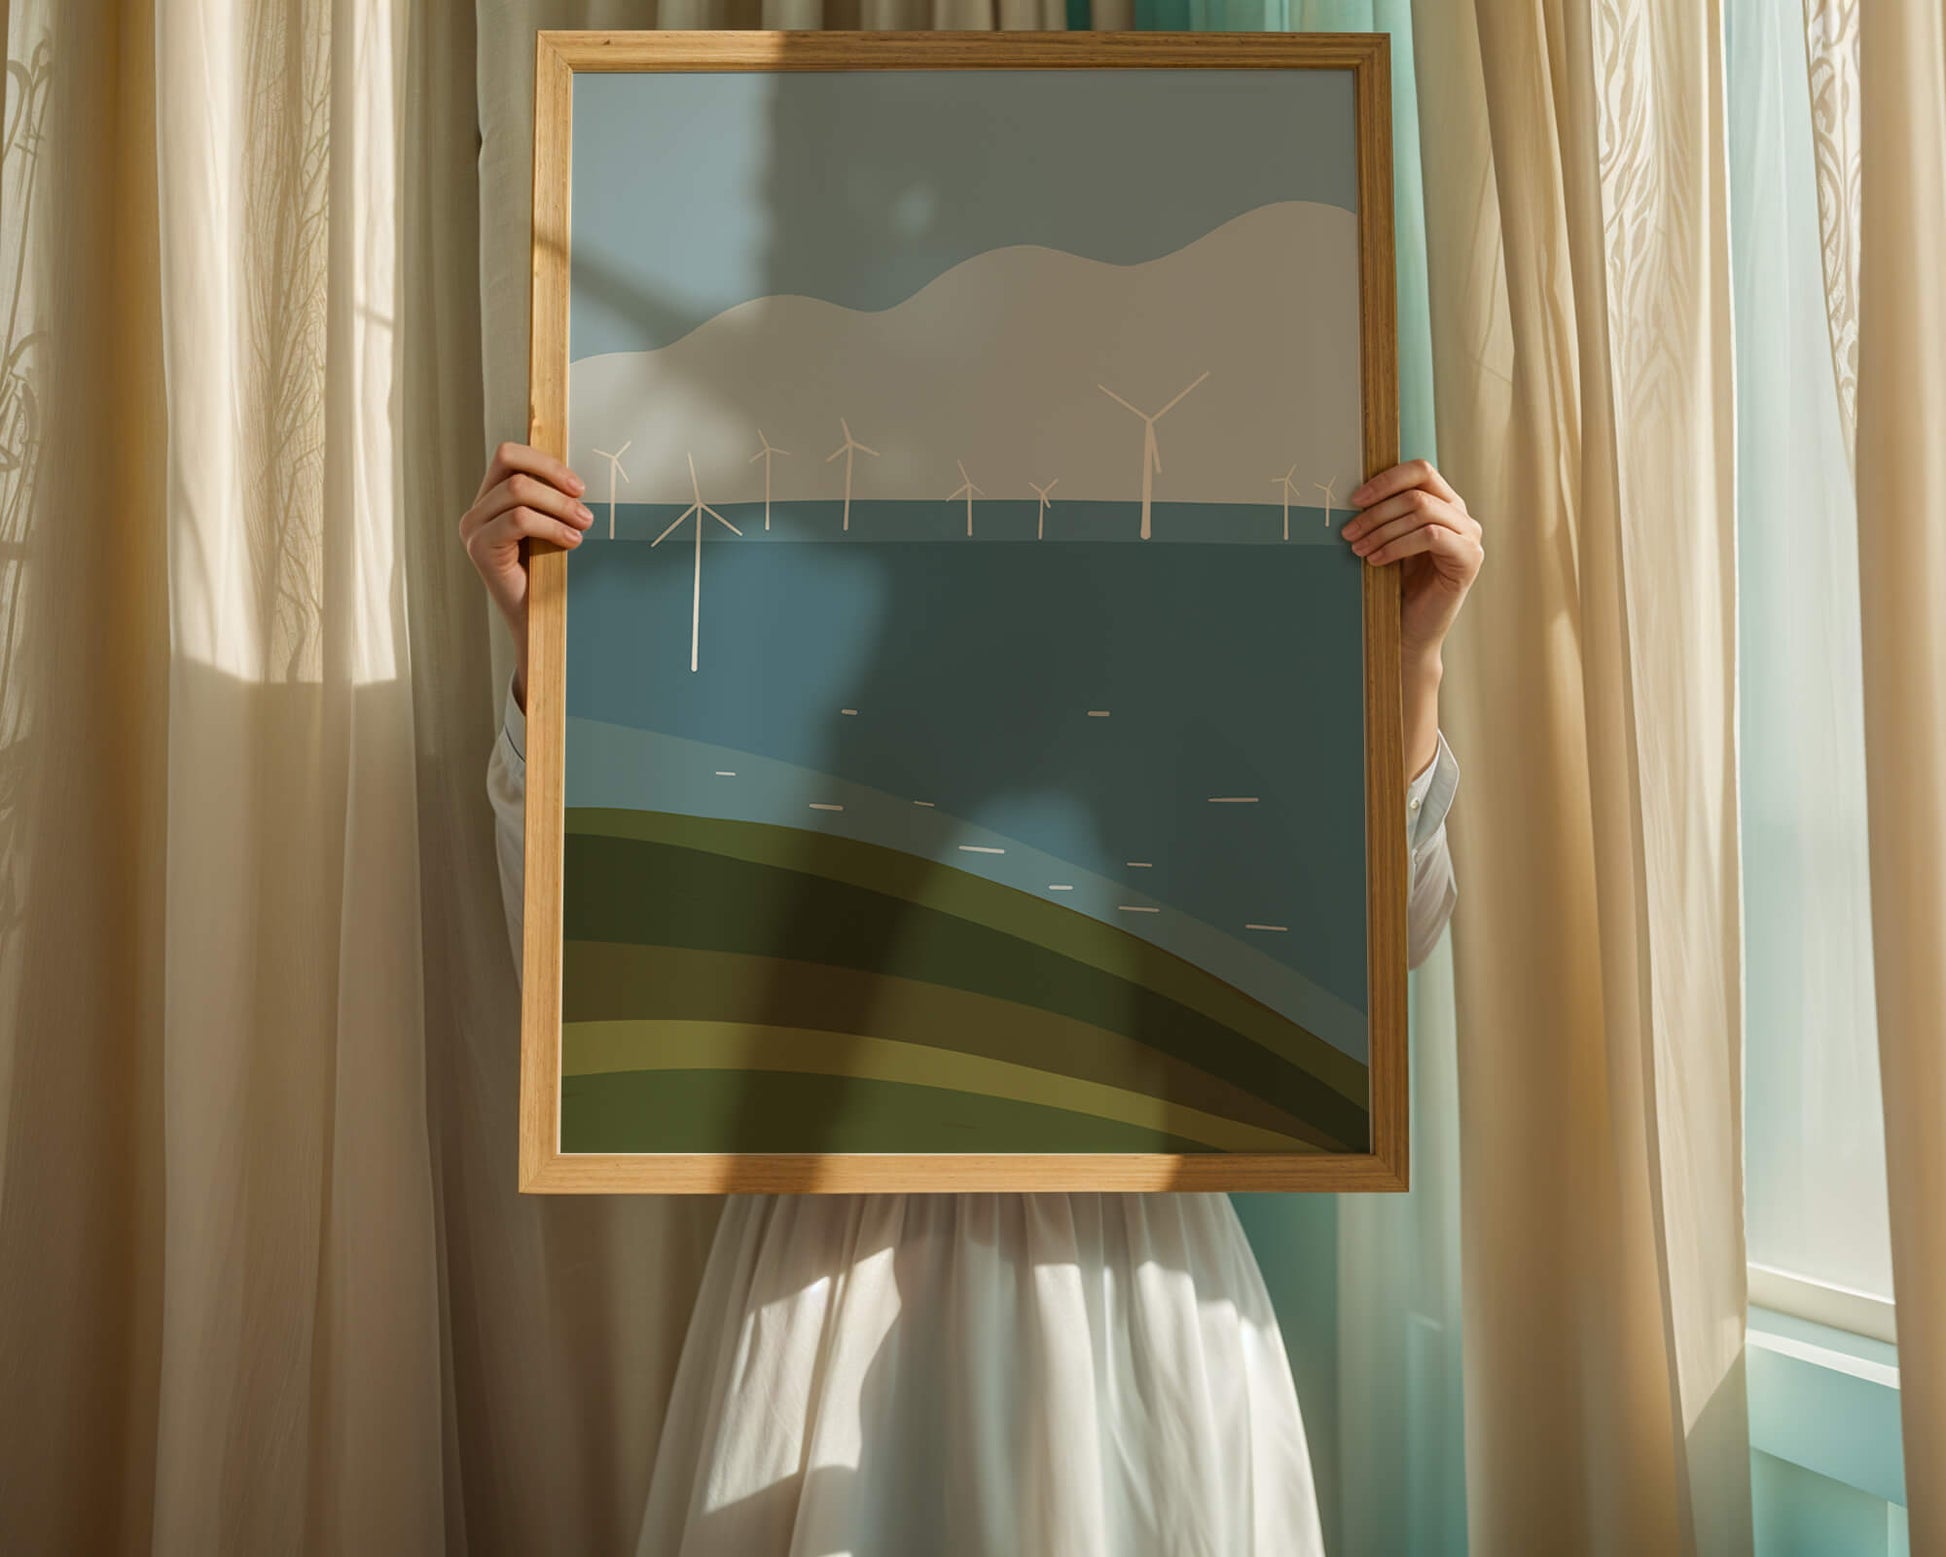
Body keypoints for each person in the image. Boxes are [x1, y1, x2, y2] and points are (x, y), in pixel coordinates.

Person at [462, 446, 1481, 1556]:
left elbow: (1382, 951)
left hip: (1131, 1266)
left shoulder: (1162, 703)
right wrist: (553, 643)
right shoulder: (788, 704)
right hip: (831, 1265)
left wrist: (1407, 660)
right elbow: (595, 961)